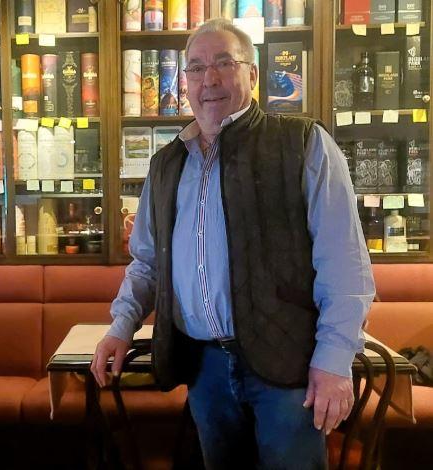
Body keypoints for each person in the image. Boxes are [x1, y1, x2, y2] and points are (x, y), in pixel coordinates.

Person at [90, 18, 375, 469]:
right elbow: (147, 262)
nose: (210, 79)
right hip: (204, 369)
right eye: (196, 67)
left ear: (253, 74)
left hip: (288, 367)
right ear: (185, 81)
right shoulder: (165, 164)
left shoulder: (303, 143)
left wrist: (335, 362)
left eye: (225, 63)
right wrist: (120, 326)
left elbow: (345, 266)